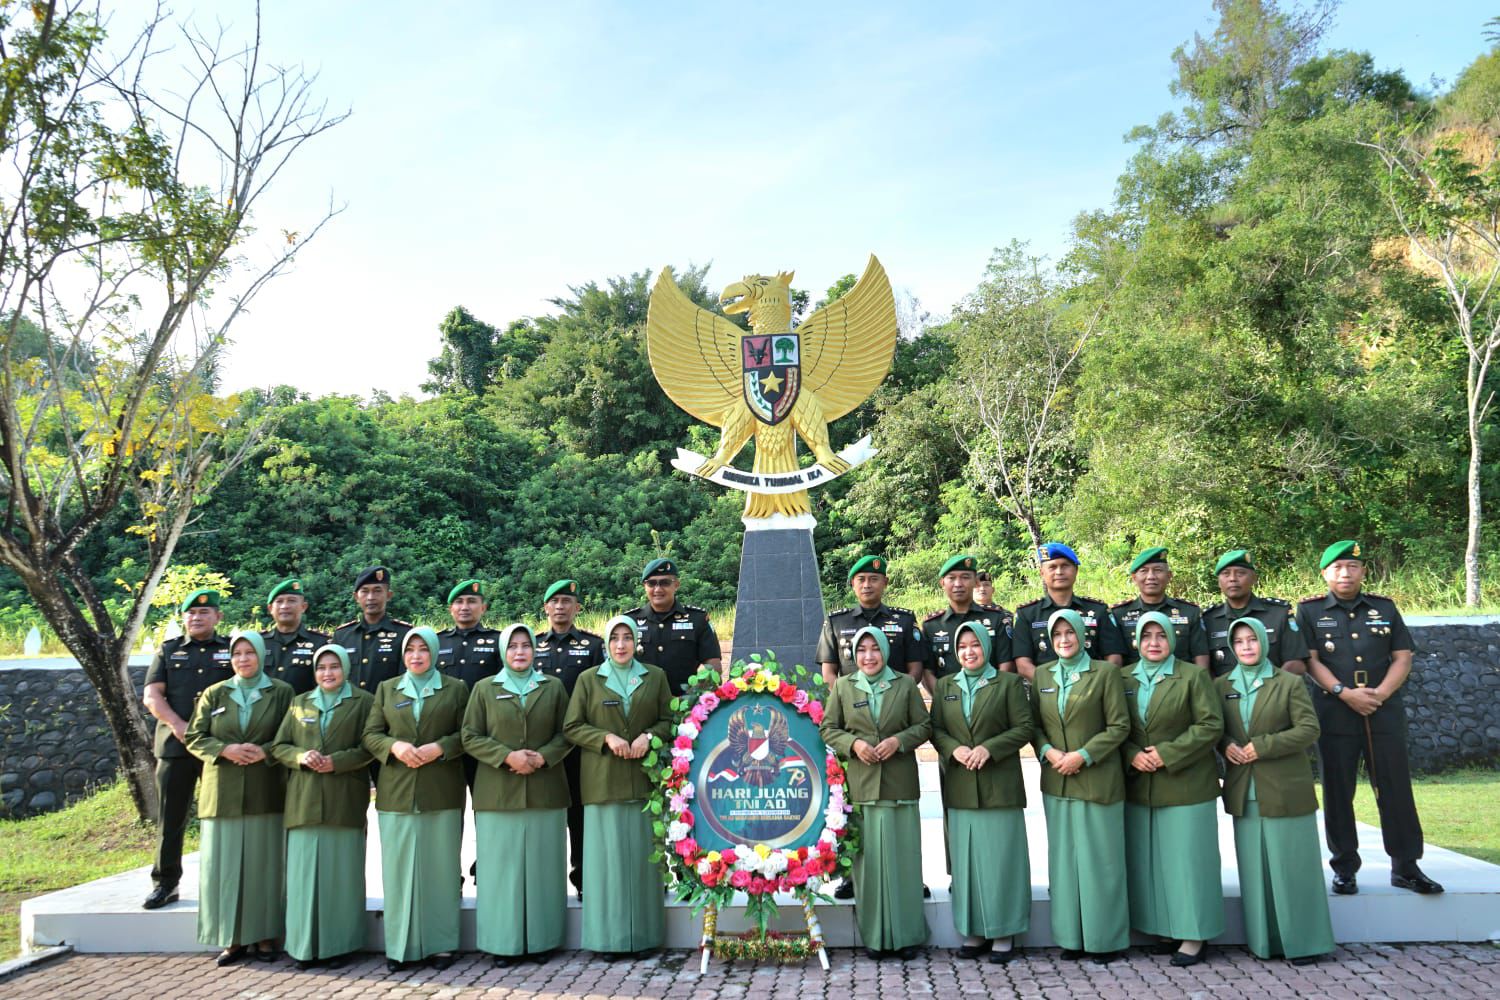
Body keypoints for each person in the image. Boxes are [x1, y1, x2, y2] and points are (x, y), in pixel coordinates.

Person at [1297, 540, 1441, 895]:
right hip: (1335, 712)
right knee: (1337, 791)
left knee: (1395, 788)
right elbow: (1311, 660)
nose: (1345, 573)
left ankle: (1406, 866)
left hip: (1382, 711)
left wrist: (1380, 694)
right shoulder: (1309, 611)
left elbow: (1402, 657)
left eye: (1352, 567)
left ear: (1363, 571)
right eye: (1337, 568)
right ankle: (1344, 868)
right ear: (1325, 574)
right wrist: (1344, 693)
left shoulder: (1385, 608)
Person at [1219, 617, 1335, 965]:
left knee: (1293, 869)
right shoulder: (1221, 685)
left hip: (1285, 788)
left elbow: (1308, 729)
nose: (1246, 647)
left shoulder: (1288, 682)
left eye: (1252, 640)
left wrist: (1263, 745)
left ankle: (1305, 943)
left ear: (1264, 643)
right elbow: (1217, 729)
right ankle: (1264, 943)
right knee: (1255, 873)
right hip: (1245, 791)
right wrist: (1225, 745)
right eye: (1238, 642)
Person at [462, 623, 572, 965]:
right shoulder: (484, 689)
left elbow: (567, 732)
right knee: (501, 872)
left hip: (545, 790)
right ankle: (502, 943)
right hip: (498, 794)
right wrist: (506, 756)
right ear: (503, 651)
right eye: (513, 646)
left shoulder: (552, 687)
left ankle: (542, 941)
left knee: (542, 869)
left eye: (526, 645)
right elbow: (469, 735)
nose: (520, 652)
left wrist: (544, 757)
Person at [820, 626, 932, 960]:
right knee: (867, 869)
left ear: (885, 651)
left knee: (903, 863)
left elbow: (924, 726)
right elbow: (828, 728)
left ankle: (908, 935)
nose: (869, 656)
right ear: (854, 655)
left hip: (899, 785)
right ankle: (876, 938)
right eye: (862, 650)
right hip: (862, 785)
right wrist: (853, 744)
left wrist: (899, 741)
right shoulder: (843, 685)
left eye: (875, 649)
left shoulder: (904, 685)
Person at [564, 616, 673, 956]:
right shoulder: (588, 680)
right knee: (606, 865)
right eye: (615, 638)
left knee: (643, 862)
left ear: (636, 641)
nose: (621, 644)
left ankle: (644, 937)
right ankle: (607, 939)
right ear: (606, 643)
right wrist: (605, 737)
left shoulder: (655, 677)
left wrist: (649, 736)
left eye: (628, 637)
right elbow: (572, 726)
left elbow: (669, 719)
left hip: (644, 779)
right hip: (602, 781)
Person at [361, 627, 469, 972]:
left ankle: (441, 945)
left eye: (424, 649)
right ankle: (401, 946)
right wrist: (394, 746)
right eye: (411, 650)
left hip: (441, 790)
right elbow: (370, 734)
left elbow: (468, 733)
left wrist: (441, 747)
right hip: (397, 791)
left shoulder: (455, 689)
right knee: (399, 872)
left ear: (435, 652)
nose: (417, 656)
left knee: (440, 869)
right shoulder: (387, 689)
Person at [184, 630, 294, 966]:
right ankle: (231, 938)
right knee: (224, 868)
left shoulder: (281, 692)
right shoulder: (215, 694)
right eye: (237, 654)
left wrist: (266, 752)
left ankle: (264, 936)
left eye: (250, 653)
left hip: (266, 789)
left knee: (263, 866)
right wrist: (225, 749)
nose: (243, 659)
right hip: (223, 793)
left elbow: (291, 736)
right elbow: (194, 736)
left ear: (262, 656)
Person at [1121, 612, 1225, 966]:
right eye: (1146, 635)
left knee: (1188, 862)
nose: (1153, 642)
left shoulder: (1192, 676)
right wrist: (1132, 754)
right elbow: (1111, 725)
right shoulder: (1122, 678)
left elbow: (1211, 724)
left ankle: (1194, 935)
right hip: (1140, 783)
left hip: (1186, 782)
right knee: (1152, 862)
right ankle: (1164, 928)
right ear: (1136, 640)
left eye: (1160, 635)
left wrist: (1166, 753)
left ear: (1172, 639)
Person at [1030, 609, 1131, 963]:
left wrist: (1084, 755)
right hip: (1056, 779)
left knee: (1100, 861)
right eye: (1056, 635)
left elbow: (1119, 727)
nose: (1063, 640)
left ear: (1081, 636)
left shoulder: (1104, 673)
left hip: (1097, 778)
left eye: (1069, 633)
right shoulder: (1043, 674)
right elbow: (1035, 726)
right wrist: (1047, 751)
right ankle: (1071, 937)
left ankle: (1105, 940)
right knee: (1065, 862)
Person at [930, 622, 1032, 963]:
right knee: (968, 863)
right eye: (962, 646)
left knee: (1001, 862)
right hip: (960, 787)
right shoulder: (946, 686)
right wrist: (952, 749)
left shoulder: (1008, 684)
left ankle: (1004, 932)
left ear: (987, 647)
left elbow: (1024, 728)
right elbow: (938, 729)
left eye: (975, 645)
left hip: (999, 786)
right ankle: (973, 931)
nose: (969, 652)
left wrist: (990, 748)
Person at [271, 644, 375, 969]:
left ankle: (339, 946)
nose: (327, 673)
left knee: (341, 876)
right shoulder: (300, 703)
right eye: (321, 667)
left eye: (334, 666)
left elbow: (370, 745)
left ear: (345, 668)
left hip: (344, 797)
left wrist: (338, 762)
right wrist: (301, 756)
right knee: (302, 878)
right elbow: (280, 746)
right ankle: (304, 947)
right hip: (304, 800)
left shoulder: (364, 702)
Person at [140, 588, 232, 909]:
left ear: (218, 616)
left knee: (219, 818)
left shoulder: (232, 651)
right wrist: (181, 727)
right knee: (171, 818)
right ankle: (165, 883)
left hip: (217, 749)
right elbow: (152, 696)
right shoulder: (168, 651)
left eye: (204, 613)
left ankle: (220, 883)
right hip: (174, 747)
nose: (196, 617)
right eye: (191, 613)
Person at [532, 578, 604, 897]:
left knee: (579, 812)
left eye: (567, 601)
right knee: (543, 813)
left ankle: (583, 876)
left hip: (578, 745)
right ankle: (543, 881)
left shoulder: (592, 646)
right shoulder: (530, 646)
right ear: (545, 607)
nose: (560, 607)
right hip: (540, 744)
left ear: (577, 607)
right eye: (554, 601)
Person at [1012, 544, 1126, 680]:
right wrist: (1052, 688)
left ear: (1076, 571)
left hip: (1092, 690)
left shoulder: (1098, 610)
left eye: (1065, 566)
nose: (1059, 572)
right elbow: (1023, 665)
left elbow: (1114, 657)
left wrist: (1093, 686)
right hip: (1046, 694)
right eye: (1052, 567)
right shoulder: (1027, 614)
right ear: (1042, 573)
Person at [818, 554, 925, 689]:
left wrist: (895, 695)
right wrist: (849, 697)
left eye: (874, 579)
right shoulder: (836, 622)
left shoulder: (905, 620)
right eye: (861, 580)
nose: (867, 585)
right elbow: (828, 674)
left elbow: (916, 670)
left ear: (885, 582)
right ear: (853, 583)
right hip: (852, 704)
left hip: (895, 703)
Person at [436, 578, 502, 793]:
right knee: (446, 801)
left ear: (483, 607)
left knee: (486, 797)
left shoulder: (498, 641)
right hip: (446, 731)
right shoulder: (437, 642)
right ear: (450, 608)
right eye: (459, 602)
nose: (465, 607)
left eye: (472, 601)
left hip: (485, 731)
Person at [1202, 550, 1308, 677]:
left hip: (1274, 693)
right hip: (1225, 694)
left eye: (1240, 573)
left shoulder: (1279, 613)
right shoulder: (1208, 619)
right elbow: (1204, 667)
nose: (1232, 579)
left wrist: (1267, 688)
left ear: (1254, 578)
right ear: (1219, 582)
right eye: (1226, 574)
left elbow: (1296, 662)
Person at [624, 558, 720, 695]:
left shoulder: (697, 619)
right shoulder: (630, 621)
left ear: (676, 585)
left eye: (665, 582)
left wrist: (693, 697)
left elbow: (713, 666)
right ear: (644, 586)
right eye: (651, 583)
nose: (658, 589)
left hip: (685, 705)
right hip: (641, 704)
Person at [921, 554, 1013, 692]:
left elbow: (1006, 665)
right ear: (942, 583)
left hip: (991, 700)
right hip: (948, 704)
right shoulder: (931, 625)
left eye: (965, 577)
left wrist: (993, 698)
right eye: (951, 578)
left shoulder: (997, 619)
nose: (958, 584)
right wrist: (945, 701)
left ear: (976, 582)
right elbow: (927, 672)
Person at [1110, 548, 1210, 668]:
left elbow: (1201, 656)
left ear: (1169, 576)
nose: (1151, 576)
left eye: (1157, 570)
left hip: (1181, 683)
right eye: (1144, 571)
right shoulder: (1119, 614)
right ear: (1134, 578)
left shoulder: (1189, 612)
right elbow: (1115, 660)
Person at [332, 566, 412, 694]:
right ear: (356, 597)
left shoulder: (404, 634)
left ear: (389, 595)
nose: (370, 597)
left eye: (377, 591)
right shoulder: (342, 636)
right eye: (364, 591)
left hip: (387, 709)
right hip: (352, 709)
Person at [260, 577, 329, 694]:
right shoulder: (259, 642)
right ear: (270, 608)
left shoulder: (321, 643)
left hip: (302, 710)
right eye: (279, 601)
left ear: (303, 607)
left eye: (291, 601)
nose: (285, 606)